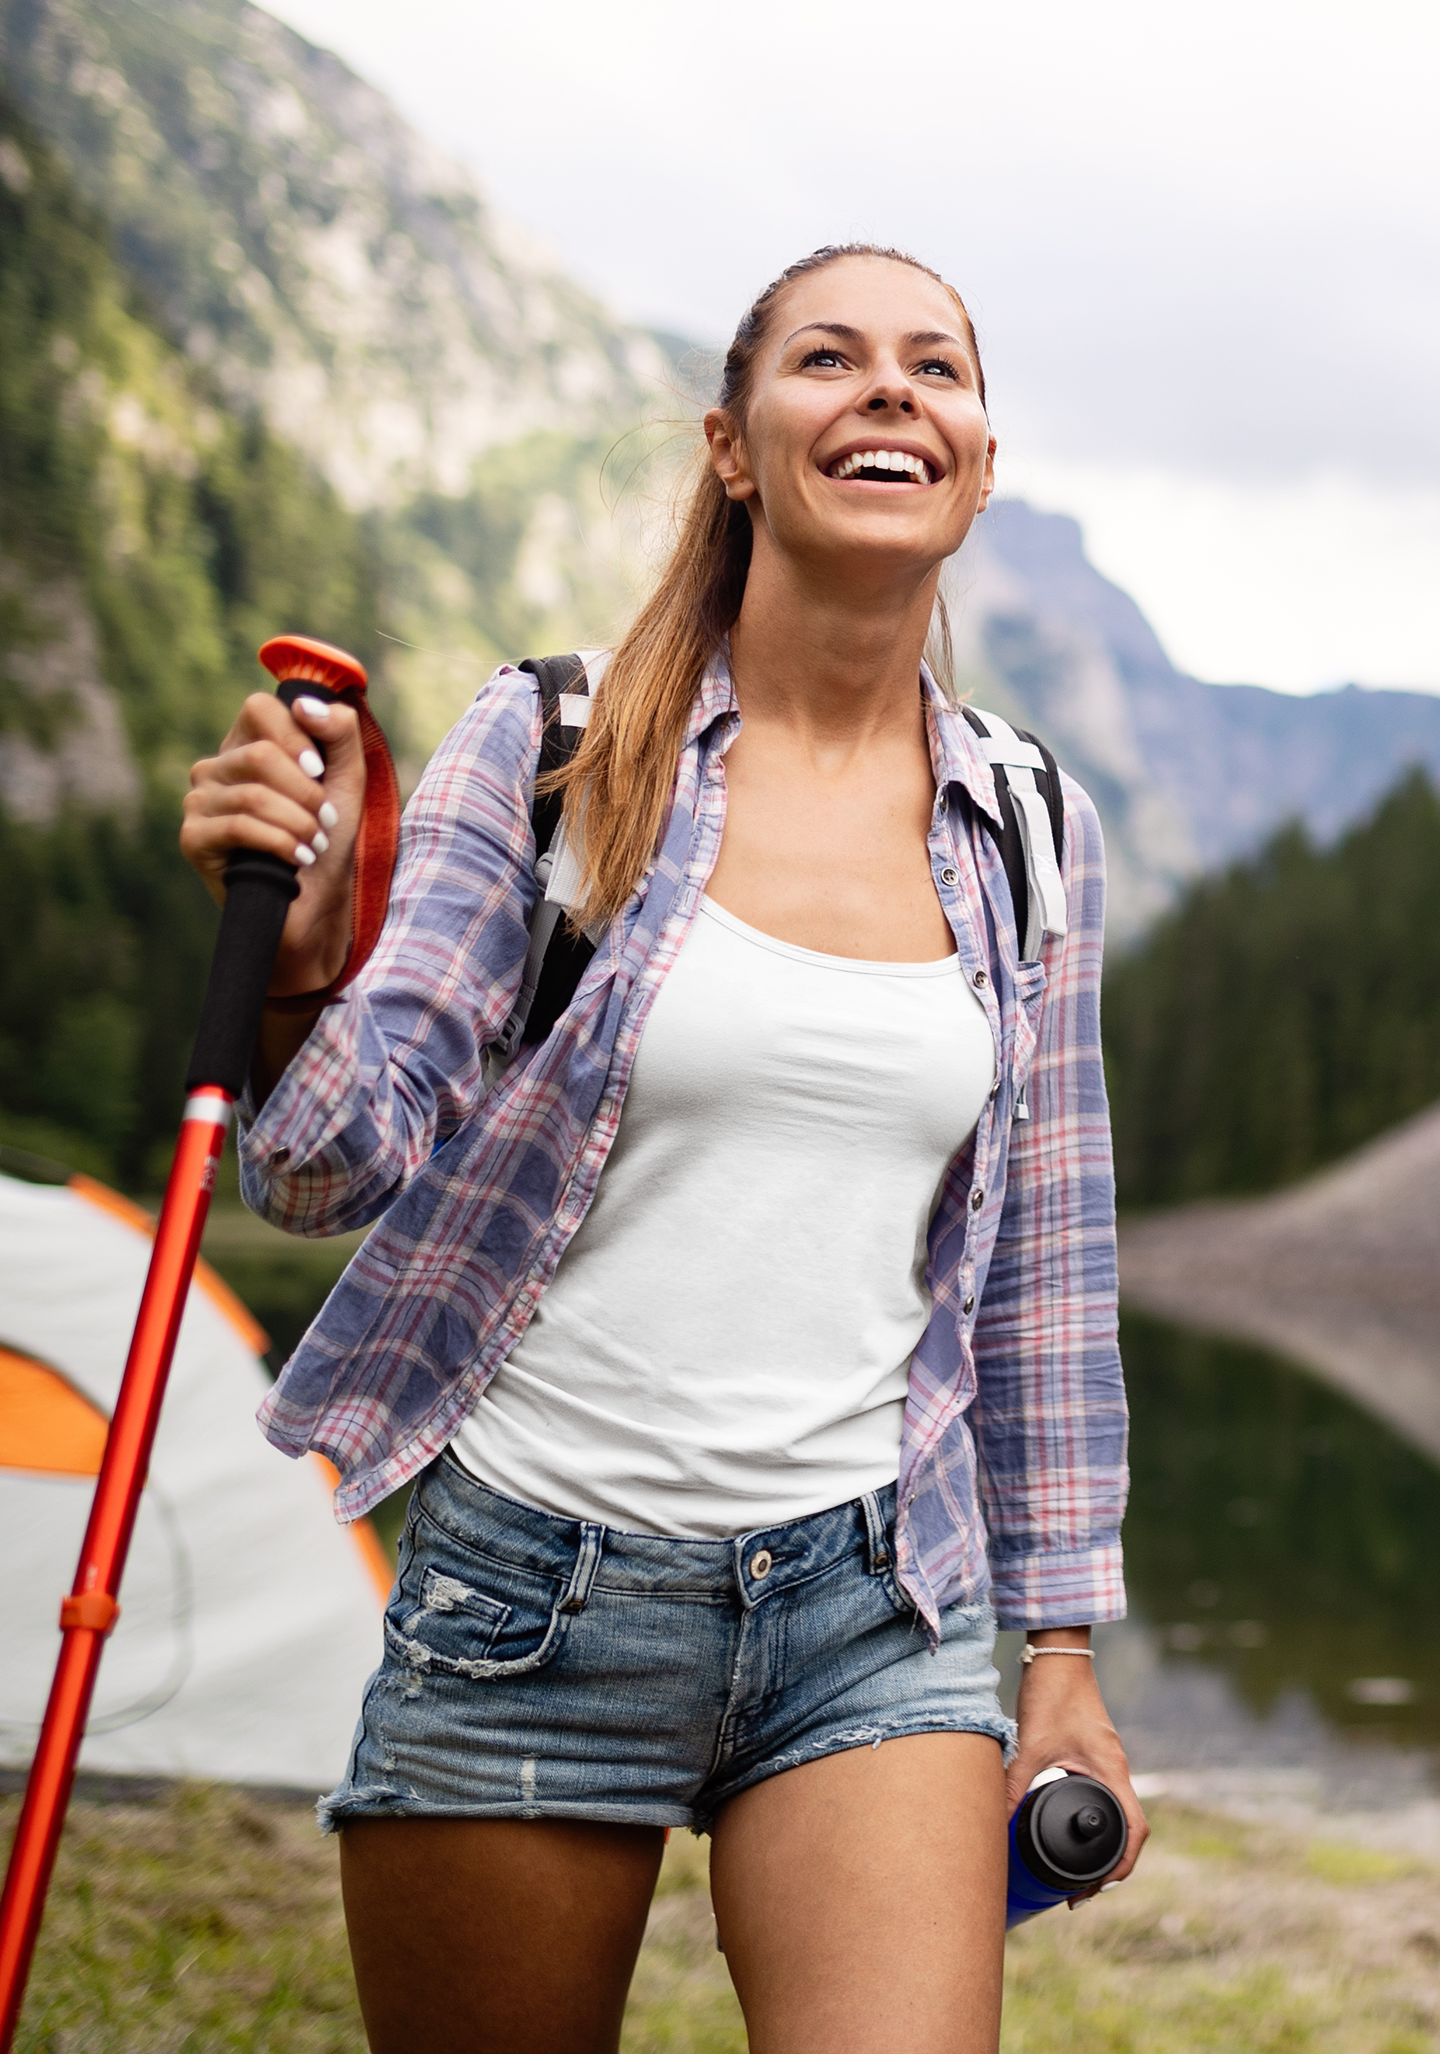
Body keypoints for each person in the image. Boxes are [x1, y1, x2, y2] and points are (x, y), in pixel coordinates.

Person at [180, 243, 1144, 2054]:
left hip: (876, 1605)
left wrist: (1066, 1656)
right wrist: (299, 985)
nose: (886, 391)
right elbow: (325, 1173)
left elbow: (1050, 1262)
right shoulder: (552, 743)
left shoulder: (1029, 822)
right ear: (730, 442)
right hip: (534, 1580)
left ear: (982, 460)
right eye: (828, 359)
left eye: (934, 367)